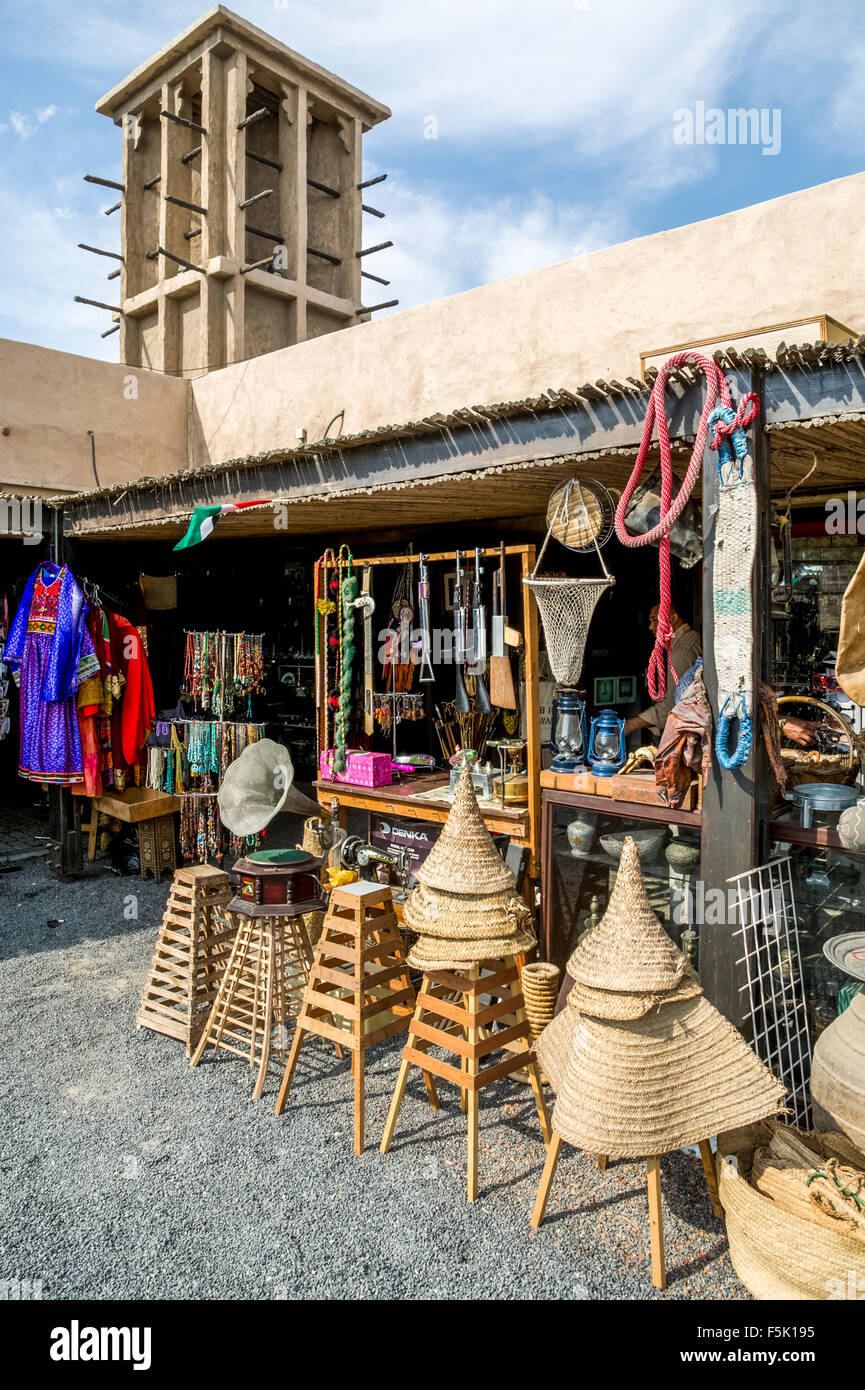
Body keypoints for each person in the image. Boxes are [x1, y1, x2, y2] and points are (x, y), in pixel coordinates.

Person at [623, 603, 702, 739]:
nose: (650, 627)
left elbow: (673, 704)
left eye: (654, 620)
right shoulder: (688, 640)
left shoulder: (682, 652)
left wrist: (631, 725)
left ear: (672, 619)